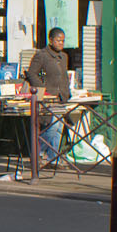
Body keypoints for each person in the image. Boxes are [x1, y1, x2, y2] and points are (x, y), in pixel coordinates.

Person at [24, 26, 72, 165]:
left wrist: (67, 92)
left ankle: (52, 158)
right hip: (48, 96)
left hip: (61, 96)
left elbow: (64, 76)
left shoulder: (64, 57)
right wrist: (42, 89)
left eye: (63, 41)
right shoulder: (42, 55)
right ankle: (37, 153)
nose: (61, 44)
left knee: (59, 128)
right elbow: (31, 73)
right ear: (51, 40)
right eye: (58, 41)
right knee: (53, 126)